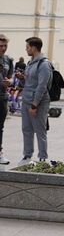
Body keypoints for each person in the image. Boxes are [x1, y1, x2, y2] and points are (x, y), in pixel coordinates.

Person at [19, 37, 52, 165]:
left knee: (40, 130)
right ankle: (27, 155)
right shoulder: (30, 62)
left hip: (38, 103)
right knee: (26, 129)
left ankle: (43, 157)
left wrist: (34, 105)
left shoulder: (44, 64)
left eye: (27, 47)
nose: (26, 49)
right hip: (26, 100)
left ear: (34, 48)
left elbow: (42, 86)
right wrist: (22, 78)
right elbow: (30, 81)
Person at [0, 34, 13, 165]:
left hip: (2, 97)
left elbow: (10, 77)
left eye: (5, 46)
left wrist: (10, 81)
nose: (3, 48)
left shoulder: (8, 60)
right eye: (1, 46)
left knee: (0, 127)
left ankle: (0, 153)